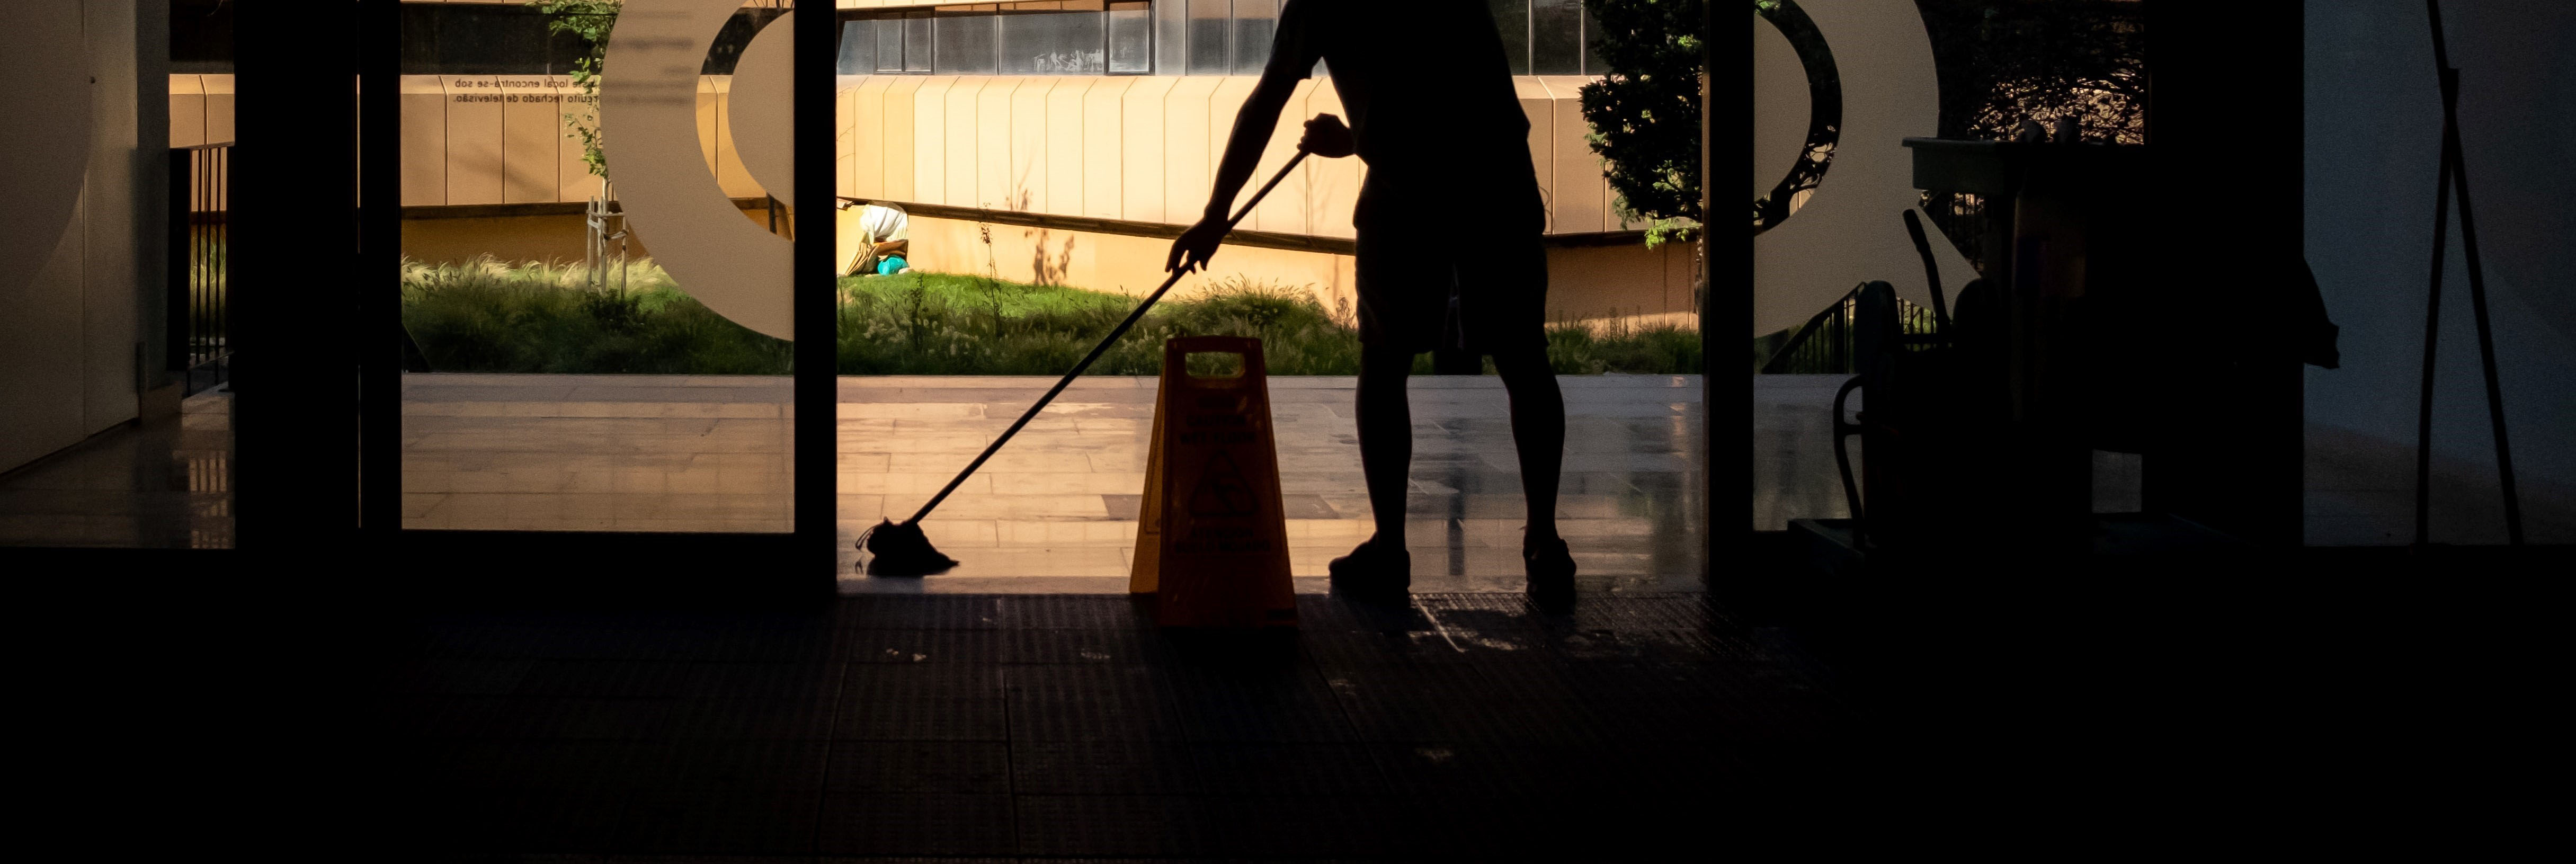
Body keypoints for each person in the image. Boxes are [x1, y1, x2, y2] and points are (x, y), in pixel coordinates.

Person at [1166, 0, 1574, 607]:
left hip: (1407, 193)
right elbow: (1458, 101)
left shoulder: (1318, 1)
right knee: (1523, 357)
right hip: (1497, 183)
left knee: (1385, 364)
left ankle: (1391, 547)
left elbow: (1268, 102)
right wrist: (1358, 140)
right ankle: (1543, 537)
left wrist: (1216, 215)